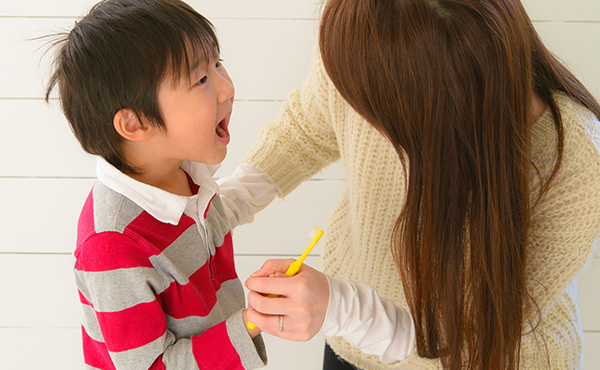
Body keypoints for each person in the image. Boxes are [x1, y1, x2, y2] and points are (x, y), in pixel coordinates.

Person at [218, 0, 600, 369]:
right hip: (350, 345)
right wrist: (224, 205)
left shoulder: (578, 161)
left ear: (435, 105)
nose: (357, 108)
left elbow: (475, 336)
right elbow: (307, 127)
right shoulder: (369, 41)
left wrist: (344, 308)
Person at [44, 0, 267, 368]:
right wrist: (252, 321)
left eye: (217, 63)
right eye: (201, 80)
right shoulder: (112, 244)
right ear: (135, 125)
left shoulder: (186, 172)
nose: (227, 89)